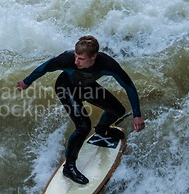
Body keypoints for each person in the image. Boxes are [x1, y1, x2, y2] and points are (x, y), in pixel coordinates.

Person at [17, 36, 145, 184]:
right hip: (66, 87)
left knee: (118, 110)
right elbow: (44, 68)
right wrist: (26, 82)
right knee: (83, 126)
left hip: (87, 87)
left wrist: (137, 115)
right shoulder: (67, 59)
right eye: (76, 57)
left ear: (94, 57)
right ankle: (69, 167)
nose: (76, 62)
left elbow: (128, 85)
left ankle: (102, 130)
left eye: (81, 59)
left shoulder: (108, 64)